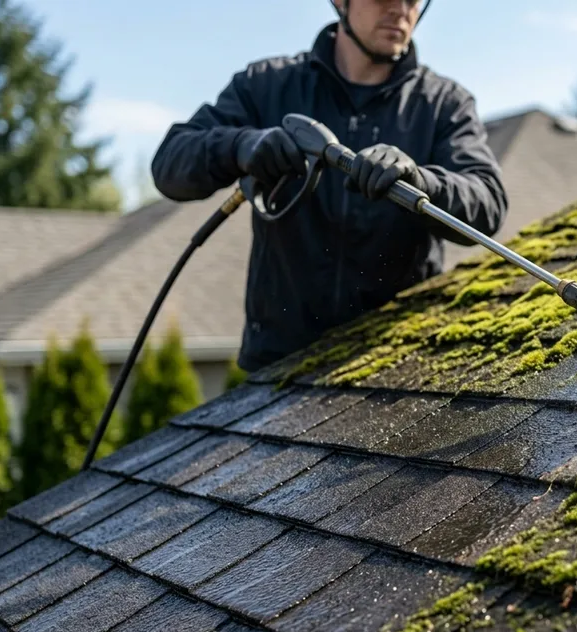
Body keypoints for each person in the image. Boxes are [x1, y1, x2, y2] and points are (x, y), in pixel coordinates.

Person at [150, 0, 507, 373]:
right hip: (278, 368)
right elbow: (169, 164)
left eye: (413, 0)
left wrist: (422, 182)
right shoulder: (267, 85)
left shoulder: (444, 104)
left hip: (397, 367)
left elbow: (488, 203)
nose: (401, 10)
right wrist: (240, 146)